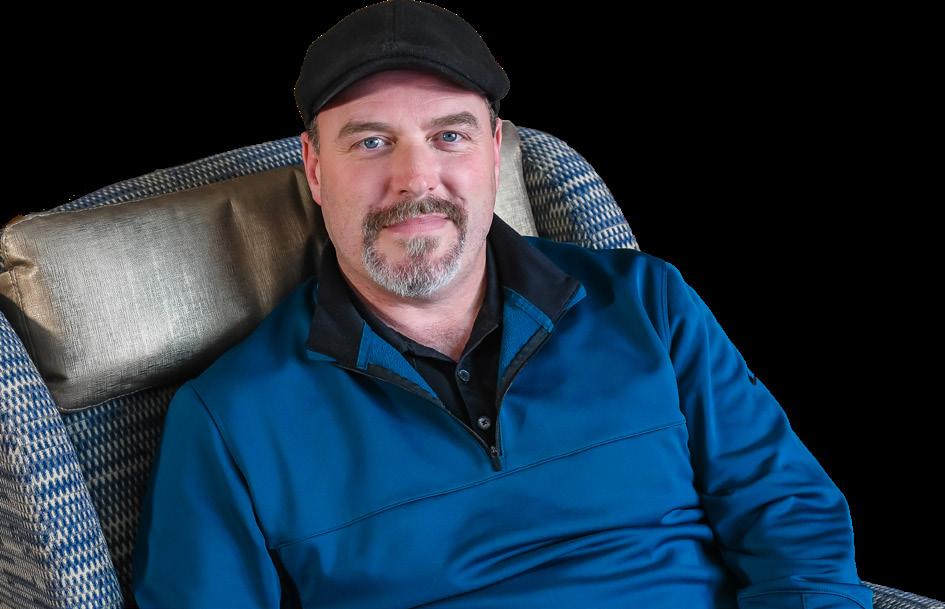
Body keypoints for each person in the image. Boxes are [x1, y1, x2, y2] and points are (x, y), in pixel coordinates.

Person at [133, 1, 875, 607]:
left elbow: (793, 524)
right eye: (371, 142)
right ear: (315, 168)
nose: (415, 178)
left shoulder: (648, 305)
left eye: (448, 135)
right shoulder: (229, 419)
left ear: (494, 150)